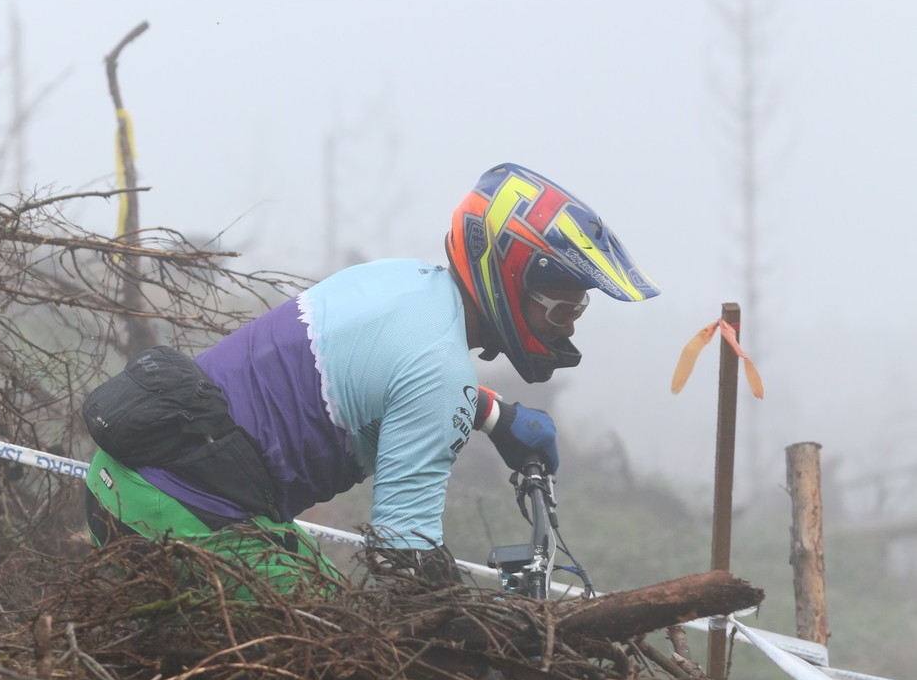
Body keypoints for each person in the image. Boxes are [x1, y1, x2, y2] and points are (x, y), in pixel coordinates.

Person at [83, 161, 659, 589]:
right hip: (178, 510)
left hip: (130, 471)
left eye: (578, 312)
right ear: (506, 278)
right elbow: (402, 558)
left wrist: (496, 415)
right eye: (561, 309)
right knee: (337, 655)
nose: (569, 328)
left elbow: (385, 376)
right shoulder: (441, 373)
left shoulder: (403, 282)